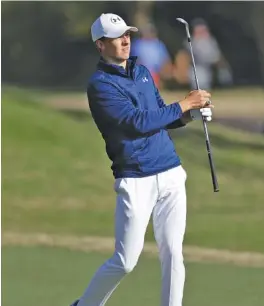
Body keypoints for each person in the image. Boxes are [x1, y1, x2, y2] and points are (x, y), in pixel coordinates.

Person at [70, 13, 214, 306]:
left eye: (127, 34)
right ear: (100, 45)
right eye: (116, 37)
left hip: (171, 171)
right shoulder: (100, 85)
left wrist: (191, 114)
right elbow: (136, 122)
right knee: (125, 261)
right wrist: (184, 103)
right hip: (136, 177)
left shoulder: (143, 72)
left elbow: (161, 114)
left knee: (173, 251)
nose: (125, 40)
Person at [174, 18, 233, 89]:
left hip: (209, 68)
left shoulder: (211, 41)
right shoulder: (190, 43)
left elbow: (217, 57)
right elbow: (183, 57)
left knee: (224, 74)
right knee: (200, 77)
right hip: (196, 69)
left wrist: (222, 66)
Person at [130, 22, 173, 88]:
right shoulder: (137, 44)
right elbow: (136, 60)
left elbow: (166, 60)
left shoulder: (159, 44)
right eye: (146, 31)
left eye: (150, 31)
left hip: (157, 72)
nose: (148, 33)